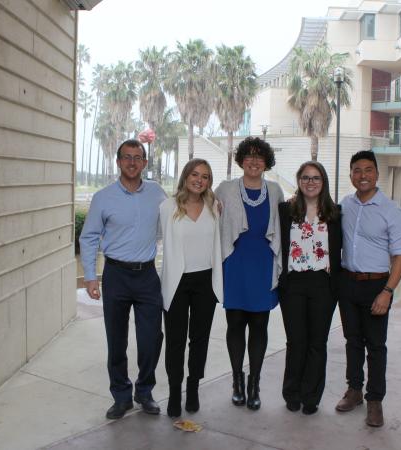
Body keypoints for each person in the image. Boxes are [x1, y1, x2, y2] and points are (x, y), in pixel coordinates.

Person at [79, 139, 166, 419]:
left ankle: (144, 391)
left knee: (151, 338)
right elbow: (89, 237)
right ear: (118, 162)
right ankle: (121, 395)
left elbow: (180, 217)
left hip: (147, 276)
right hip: (116, 275)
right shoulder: (103, 197)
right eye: (126, 157)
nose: (132, 162)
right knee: (116, 340)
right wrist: (91, 278)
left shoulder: (157, 193)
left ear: (144, 163)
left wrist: (215, 205)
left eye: (137, 157)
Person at [335, 150, 401, 427]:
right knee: (353, 342)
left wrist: (387, 292)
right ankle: (354, 391)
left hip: (377, 285)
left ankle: (374, 400)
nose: (362, 175)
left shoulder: (391, 210)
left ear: (377, 173)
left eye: (367, 170)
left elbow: (400, 256)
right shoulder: (345, 205)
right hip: (347, 284)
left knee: (376, 346)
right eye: (356, 170)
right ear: (351, 174)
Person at [215, 136, 284, 411]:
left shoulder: (276, 190)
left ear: (266, 162)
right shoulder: (225, 189)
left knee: (259, 327)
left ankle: (255, 383)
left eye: (259, 156)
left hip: (263, 266)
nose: (254, 161)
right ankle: (237, 382)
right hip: (234, 265)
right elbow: (209, 214)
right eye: (249, 156)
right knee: (235, 326)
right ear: (241, 159)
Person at [159, 159, 223, 418]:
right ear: (186, 177)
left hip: (205, 281)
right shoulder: (167, 207)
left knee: (199, 339)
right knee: (175, 341)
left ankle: (193, 387)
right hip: (177, 281)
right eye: (195, 174)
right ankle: (175, 391)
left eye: (205, 176)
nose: (199, 180)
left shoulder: (214, 207)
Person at [278, 161, 342, 415]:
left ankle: (311, 396)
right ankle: (292, 393)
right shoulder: (285, 211)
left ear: (323, 182)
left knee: (317, 342)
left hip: (323, 284)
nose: (311, 182)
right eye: (305, 177)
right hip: (293, 283)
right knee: (296, 341)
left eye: (316, 178)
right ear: (299, 180)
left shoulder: (335, 214)